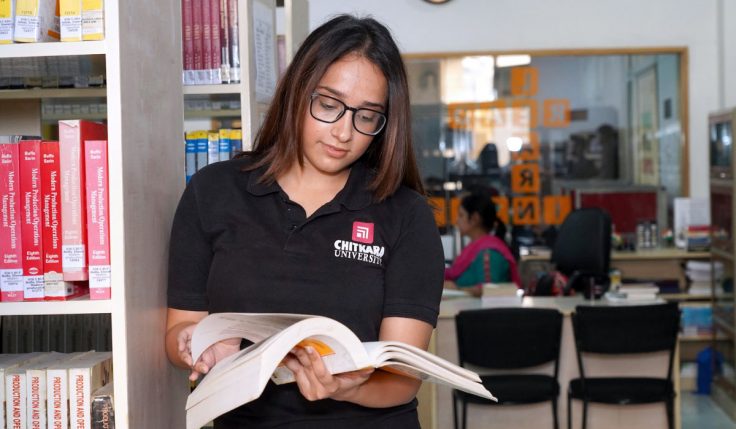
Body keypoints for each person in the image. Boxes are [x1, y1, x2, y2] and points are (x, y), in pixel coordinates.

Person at [164, 14, 445, 429]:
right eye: (328, 105)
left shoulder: (406, 214)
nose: (344, 132)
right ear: (297, 91)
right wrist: (193, 344)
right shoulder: (214, 191)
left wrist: (348, 387)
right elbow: (180, 327)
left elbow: (403, 377)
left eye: (366, 116)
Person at [444, 191, 521, 296]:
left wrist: (457, 289)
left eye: (461, 215)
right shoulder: (474, 249)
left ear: (475, 218)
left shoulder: (489, 253)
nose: (457, 220)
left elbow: (489, 290)